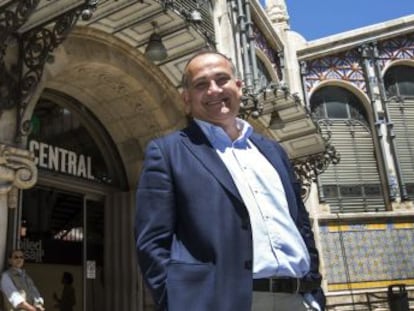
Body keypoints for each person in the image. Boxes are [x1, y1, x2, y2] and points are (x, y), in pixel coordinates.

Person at [135, 50, 325, 311]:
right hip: (220, 302)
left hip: (296, 299)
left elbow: (300, 224)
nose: (213, 90)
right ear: (187, 99)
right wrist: (178, 304)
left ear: (238, 87)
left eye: (221, 79)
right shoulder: (168, 152)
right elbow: (152, 242)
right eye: (201, 84)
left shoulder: (272, 151)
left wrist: (314, 289)